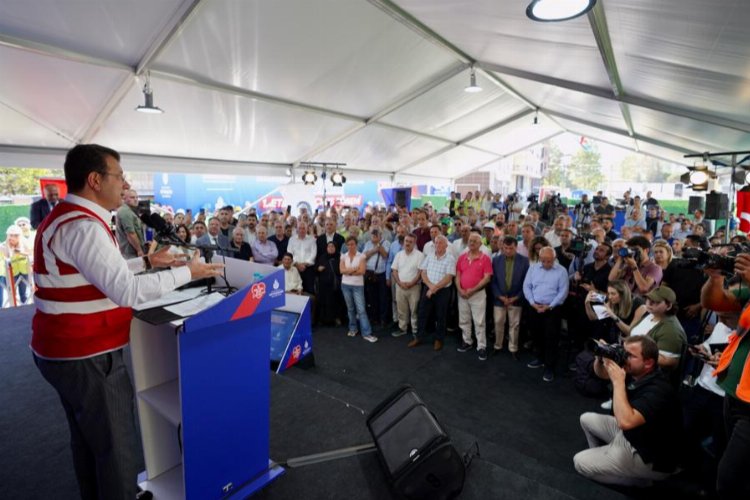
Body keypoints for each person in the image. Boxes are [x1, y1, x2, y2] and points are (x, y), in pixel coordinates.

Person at [30, 144, 222, 500]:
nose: (125, 183)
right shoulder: (85, 227)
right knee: (116, 451)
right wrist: (187, 271)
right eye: (119, 176)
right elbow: (127, 292)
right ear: (94, 180)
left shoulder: (67, 217)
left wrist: (149, 263)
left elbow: (100, 275)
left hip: (62, 352)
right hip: (87, 356)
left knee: (90, 444)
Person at [573, 336, 682, 486]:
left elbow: (626, 422)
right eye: (624, 352)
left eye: (630, 355)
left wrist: (618, 382)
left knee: (579, 462)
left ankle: (643, 481)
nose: (624, 357)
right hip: (634, 436)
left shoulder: (659, 390)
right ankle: (606, 459)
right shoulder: (635, 371)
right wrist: (600, 358)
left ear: (648, 363)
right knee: (586, 419)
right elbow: (601, 374)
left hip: (650, 456)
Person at [700, 253, 750, 499]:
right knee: (729, 467)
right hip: (734, 391)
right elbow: (715, 302)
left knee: (730, 479)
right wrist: (716, 277)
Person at [523, 247, 569, 382]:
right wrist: (532, 303)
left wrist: (550, 306)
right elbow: (527, 286)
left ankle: (549, 367)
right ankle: (539, 358)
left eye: (549, 261)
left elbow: (563, 292)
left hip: (552, 309)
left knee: (551, 338)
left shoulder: (561, 271)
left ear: (554, 259)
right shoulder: (533, 268)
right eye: (543, 261)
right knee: (536, 334)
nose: (546, 264)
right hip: (534, 307)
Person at [409, 236, 456, 351]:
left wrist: (434, 288)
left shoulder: (450, 258)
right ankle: (419, 337)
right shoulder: (430, 255)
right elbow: (423, 272)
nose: (438, 245)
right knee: (422, 313)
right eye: (436, 243)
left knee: (441, 315)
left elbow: (449, 277)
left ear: (446, 245)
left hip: (443, 291)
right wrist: (430, 286)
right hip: (428, 287)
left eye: (440, 243)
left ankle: (439, 340)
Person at [455, 233, 493, 360]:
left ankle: (481, 347)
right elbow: (458, 274)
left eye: (475, 241)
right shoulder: (462, 257)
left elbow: (487, 278)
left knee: (479, 321)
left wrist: (472, 290)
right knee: (464, 319)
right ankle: (467, 341)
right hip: (462, 294)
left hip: (477, 295)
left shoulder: (485, 258)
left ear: (480, 244)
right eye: (470, 241)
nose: (471, 243)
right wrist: (460, 289)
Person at [491, 236, 529, 360]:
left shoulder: (524, 261)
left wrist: (516, 297)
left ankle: (513, 348)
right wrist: (500, 296)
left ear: (516, 247)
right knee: (498, 323)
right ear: (502, 247)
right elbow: (493, 281)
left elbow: (526, 283)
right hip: (499, 298)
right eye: (505, 248)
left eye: (511, 248)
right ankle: (497, 346)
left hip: (516, 298)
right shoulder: (496, 260)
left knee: (515, 325)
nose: (507, 251)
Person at [339, 236, 377, 342]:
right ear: (346, 245)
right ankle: (353, 328)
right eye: (349, 244)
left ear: (356, 245)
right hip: (345, 285)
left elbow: (362, 271)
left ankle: (367, 333)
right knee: (350, 308)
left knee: (361, 309)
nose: (351, 246)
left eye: (352, 244)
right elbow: (341, 270)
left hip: (357, 286)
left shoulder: (362, 256)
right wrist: (353, 269)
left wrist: (348, 271)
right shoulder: (343, 256)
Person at [390, 233, 423, 339]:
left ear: (414, 243)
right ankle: (402, 328)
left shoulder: (420, 255)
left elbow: (420, 272)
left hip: (414, 287)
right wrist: (399, 283)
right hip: (400, 287)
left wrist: (412, 283)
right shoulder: (399, 255)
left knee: (414, 310)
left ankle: (415, 330)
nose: (407, 243)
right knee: (401, 309)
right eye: (406, 241)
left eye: (410, 242)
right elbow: (394, 270)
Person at [362, 229, 391, 328]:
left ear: (380, 235)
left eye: (376, 235)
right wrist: (374, 249)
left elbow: (385, 255)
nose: (374, 237)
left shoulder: (386, 243)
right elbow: (363, 256)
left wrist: (379, 245)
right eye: (372, 235)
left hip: (381, 274)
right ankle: (374, 318)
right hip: (370, 274)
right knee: (372, 297)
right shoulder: (368, 244)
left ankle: (383, 319)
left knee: (383, 297)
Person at [1, 224, 32, 304]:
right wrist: (9, 247)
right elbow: (7, 255)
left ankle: (25, 307)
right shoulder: (3, 245)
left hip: (24, 271)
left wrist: (20, 251)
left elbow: (30, 253)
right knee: (11, 294)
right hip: (11, 272)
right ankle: (13, 309)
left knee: (23, 293)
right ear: (8, 235)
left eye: (16, 235)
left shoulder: (24, 242)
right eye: (11, 235)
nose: (13, 237)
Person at [316, 241, 343, 326]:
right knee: (324, 301)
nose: (330, 248)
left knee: (336, 301)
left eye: (332, 246)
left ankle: (336, 318)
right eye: (329, 247)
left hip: (335, 285)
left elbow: (341, 270)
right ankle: (324, 319)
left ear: (335, 248)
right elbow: (316, 267)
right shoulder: (323, 257)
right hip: (324, 285)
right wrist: (318, 268)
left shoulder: (339, 257)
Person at [287, 222, 317, 294]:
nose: (302, 230)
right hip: (295, 268)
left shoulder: (312, 239)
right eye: (300, 228)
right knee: (295, 289)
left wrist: (304, 264)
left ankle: (309, 305)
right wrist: (297, 264)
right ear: (297, 229)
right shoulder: (292, 239)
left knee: (309, 290)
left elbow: (314, 254)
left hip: (308, 269)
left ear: (307, 229)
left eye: (304, 228)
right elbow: (289, 253)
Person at [115, 189, 145, 259]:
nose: (136, 199)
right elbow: (131, 234)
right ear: (124, 199)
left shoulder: (130, 211)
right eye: (132, 197)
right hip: (131, 253)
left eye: (137, 197)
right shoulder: (125, 211)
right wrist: (139, 250)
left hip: (132, 251)